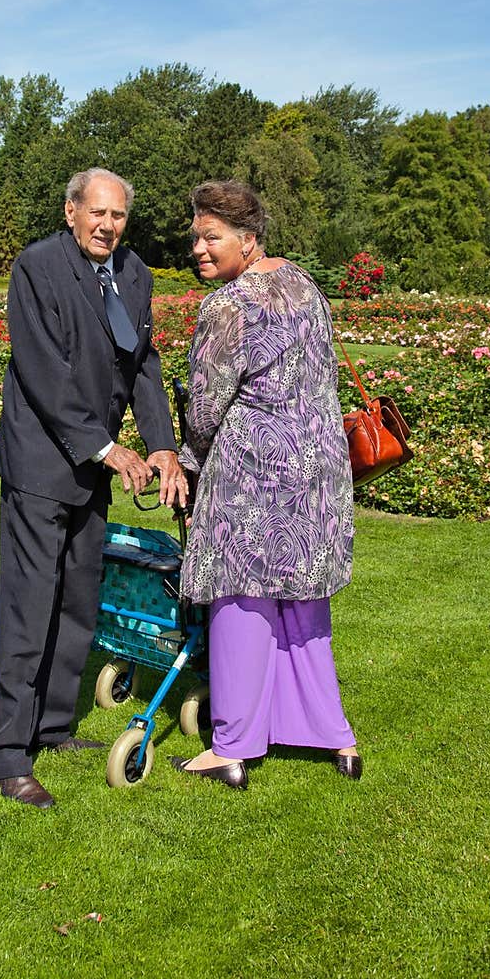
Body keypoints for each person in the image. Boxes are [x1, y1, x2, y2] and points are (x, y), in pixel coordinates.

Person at [0, 167, 188, 809]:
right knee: (29, 605)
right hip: (43, 466)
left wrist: (159, 442)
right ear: (71, 211)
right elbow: (43, 373)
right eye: (96, 213)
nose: (107, 226)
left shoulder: (135, 275)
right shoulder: (37, 267)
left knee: (78, 601)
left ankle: (54, 727)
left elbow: (144, 363)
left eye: (118, 216)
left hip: (93, 469)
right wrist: (106, 448)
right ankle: (9, 754)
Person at [171, 179, 360, 791]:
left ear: (247, 240)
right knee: (304, 601)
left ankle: (232, 745)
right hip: (319, 473)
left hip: (255, 478)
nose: (198, 248)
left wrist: (187, 461)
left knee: (240, 599)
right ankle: (334, 736)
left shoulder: (229, 305)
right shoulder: (302, 282)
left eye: (211, 237)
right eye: (195, 236)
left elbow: (204, 410)